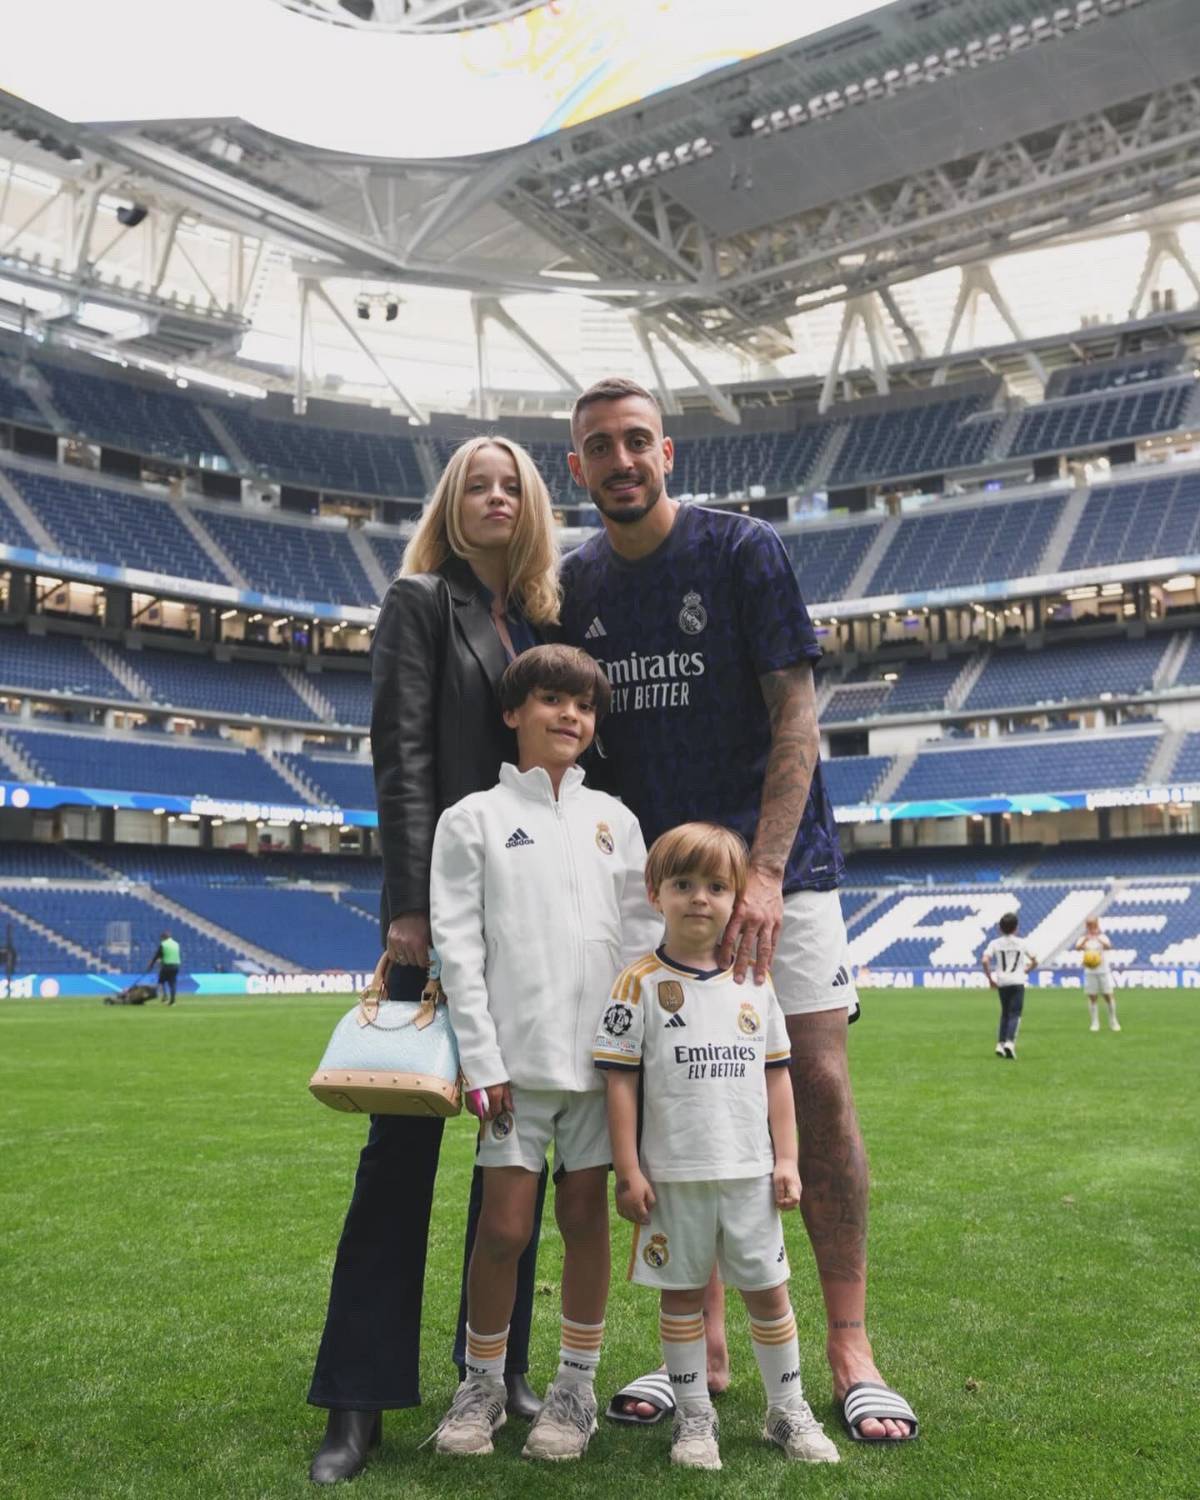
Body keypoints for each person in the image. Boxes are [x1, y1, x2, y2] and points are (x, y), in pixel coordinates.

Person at [559, 376, 917, 1443]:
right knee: (672, 1101)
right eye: (599, 449)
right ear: (576, 470)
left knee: (817, 1083)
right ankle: (699, 1353)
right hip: (652, 888)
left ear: (667, 454)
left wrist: (761, 875)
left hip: (778, 872)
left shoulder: (741, 550)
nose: (621, 461)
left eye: (637, 442)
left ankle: (848, 1343)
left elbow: (796, 714)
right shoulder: (570, 584)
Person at [307, 436, 559, 1484]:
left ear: (533, 506)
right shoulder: (419, 603)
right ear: (451, 509)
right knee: (398, 1162)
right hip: (437, 915)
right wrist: (409, 904)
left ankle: (492, 1374)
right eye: (475, 487)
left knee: (516, 1162)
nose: (494, 498)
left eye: (511, 485)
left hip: (529, 920)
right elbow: (400, 752)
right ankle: (356, 1401)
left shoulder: (545, 622)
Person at [428, 644, 660, 1461]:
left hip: (603, 1074)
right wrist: (481, 1060)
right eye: (553, 699)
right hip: (514, 1072)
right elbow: (458, 948)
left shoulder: (617, 821)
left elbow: (642, 945)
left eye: (584, 705)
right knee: (503, 1228)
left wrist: (636, 1058)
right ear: (512, 711)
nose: (570, 715)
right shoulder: (473, 819)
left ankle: (574, 1388)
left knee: (586, 1219)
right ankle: (481, 1386)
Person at [598, 822, 840, 1470]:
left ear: (738, 899)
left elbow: (778, 1078)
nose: (700, 898)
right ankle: (695, 1419)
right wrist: (628, 1170)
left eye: (715, 886)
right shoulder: (638, 984)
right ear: (656, 894)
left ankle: (786, 1411)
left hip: (749, 1175)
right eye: (684, 884)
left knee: (770, 1293)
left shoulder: (755, 984)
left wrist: (786, 1160)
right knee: (680, 1298)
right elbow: (618, 1083)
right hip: (673, 1177)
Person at [981, 912, 1036, 1059]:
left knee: (1005, 1012)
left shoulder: (995, 943)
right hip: (1017, 981)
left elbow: (985, 960)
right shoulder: (1021, 942)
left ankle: (1000, 1044)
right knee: (1015, 1013)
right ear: (1016, 928)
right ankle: (1010, 1043)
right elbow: (1035, 959)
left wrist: (990, 979)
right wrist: (1027, 970)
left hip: (1002, 981)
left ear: (1000, 929)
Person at [1077, 915, 1120, 1032]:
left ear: (1097, 924)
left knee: (1108, 995)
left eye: (1092, 924)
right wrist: (1087, 939)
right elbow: (1078, 947)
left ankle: (1113, 1021)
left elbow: (1108, 946)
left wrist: (1097, 937)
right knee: (1092, 996)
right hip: (1090, 971)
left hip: (1103, 970)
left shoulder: (1102, 937)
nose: (1090, 927)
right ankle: (1095, 1022)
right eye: (1088, 925)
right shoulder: (1084, 938)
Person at [150, 931, 180, 1004]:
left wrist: (151, 964)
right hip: (176, 965)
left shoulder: (163, 944)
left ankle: (165, 997)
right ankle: (172, 1001)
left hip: (166, 966)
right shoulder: (176, 944)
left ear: (163, 938)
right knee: (172, 983)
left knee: (161, 982)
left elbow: (157, 955)